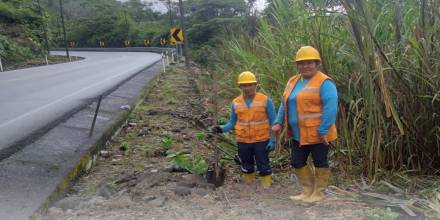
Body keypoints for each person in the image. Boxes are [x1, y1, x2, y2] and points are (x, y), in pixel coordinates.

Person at [272, 46, 338, 202]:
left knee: (320, 162)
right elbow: (284, 102)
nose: (305, 66)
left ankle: (318, 194)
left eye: (309, 63)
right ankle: (307, 191)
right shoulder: (293, 81)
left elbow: (331, 107)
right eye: (301, 63)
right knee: (297, 161)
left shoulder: (325, 82)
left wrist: (323, 130)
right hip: (297, 134)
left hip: (318, 134)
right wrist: (277, 121)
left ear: (317, 64)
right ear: (297, 65)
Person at [211, 71, 276, 188]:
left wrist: (273, 140)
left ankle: (266, 188)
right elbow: (232, 123)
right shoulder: (236, 102)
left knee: (263, 165)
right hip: (243, 141)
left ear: (255, 85)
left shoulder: (265, 100)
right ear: (240, 86)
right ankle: (249, 187)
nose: (247, 88)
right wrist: (221, 129)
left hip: (261, 140)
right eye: (244, 85)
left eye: (250, 84)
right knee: (246, 166)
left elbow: (274, 122)